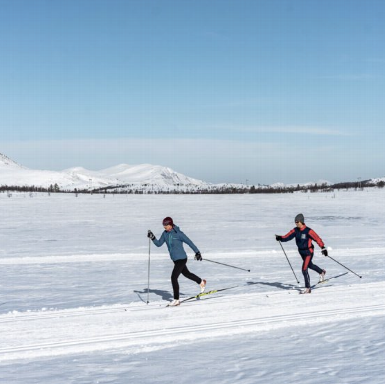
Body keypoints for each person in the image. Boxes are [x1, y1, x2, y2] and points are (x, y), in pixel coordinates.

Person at [147, 217, 206, 306]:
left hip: (182, 259)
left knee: (173, 277)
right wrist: (153, 237)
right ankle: (201, 282)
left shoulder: (178, 234)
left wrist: (197, 252)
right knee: (186, 273)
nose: (164, 227)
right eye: (164, 225)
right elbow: (159, 244)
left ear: (170, 224)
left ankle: (176, 299)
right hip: (175, 259)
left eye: (166, 225)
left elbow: (189, 242)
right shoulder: (165, 234)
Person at [276, 213, 328, 294]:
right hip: (301, 252)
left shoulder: (308, 231)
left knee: (304, 269)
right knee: (310, 265)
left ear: (301, 221)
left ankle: (308, 288)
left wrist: (323, 248)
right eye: (295, 222)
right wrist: (280, 238)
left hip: (308, 252)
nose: (296, 223)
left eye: (297, 222)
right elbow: (287, 237)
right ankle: (321, 272)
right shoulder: (295, 230)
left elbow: (317, 238)